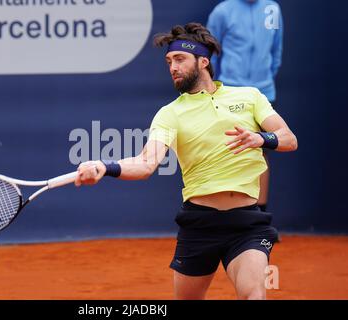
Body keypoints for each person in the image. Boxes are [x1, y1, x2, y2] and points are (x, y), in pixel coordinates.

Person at [74, 22, 297, 300]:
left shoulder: (249, 97)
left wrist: (262, 139)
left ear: (203, 61)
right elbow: (145, 164)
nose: (172, 67)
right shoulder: (170, 114)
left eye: (180, 59)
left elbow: (288, 138)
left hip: (247, 223)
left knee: (254, 295)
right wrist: (104, 166)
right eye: (169, 61)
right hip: (199, 224)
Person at [207, 0, 284, 212]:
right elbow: (210, 55)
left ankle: (260, 214)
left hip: (263, 93)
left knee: (261, 152)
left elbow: (276, 52)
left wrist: (263, 83)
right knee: (228, 151)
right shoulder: (222, 11)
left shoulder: (272, 9)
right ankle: (227, 213)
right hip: (229, 93)